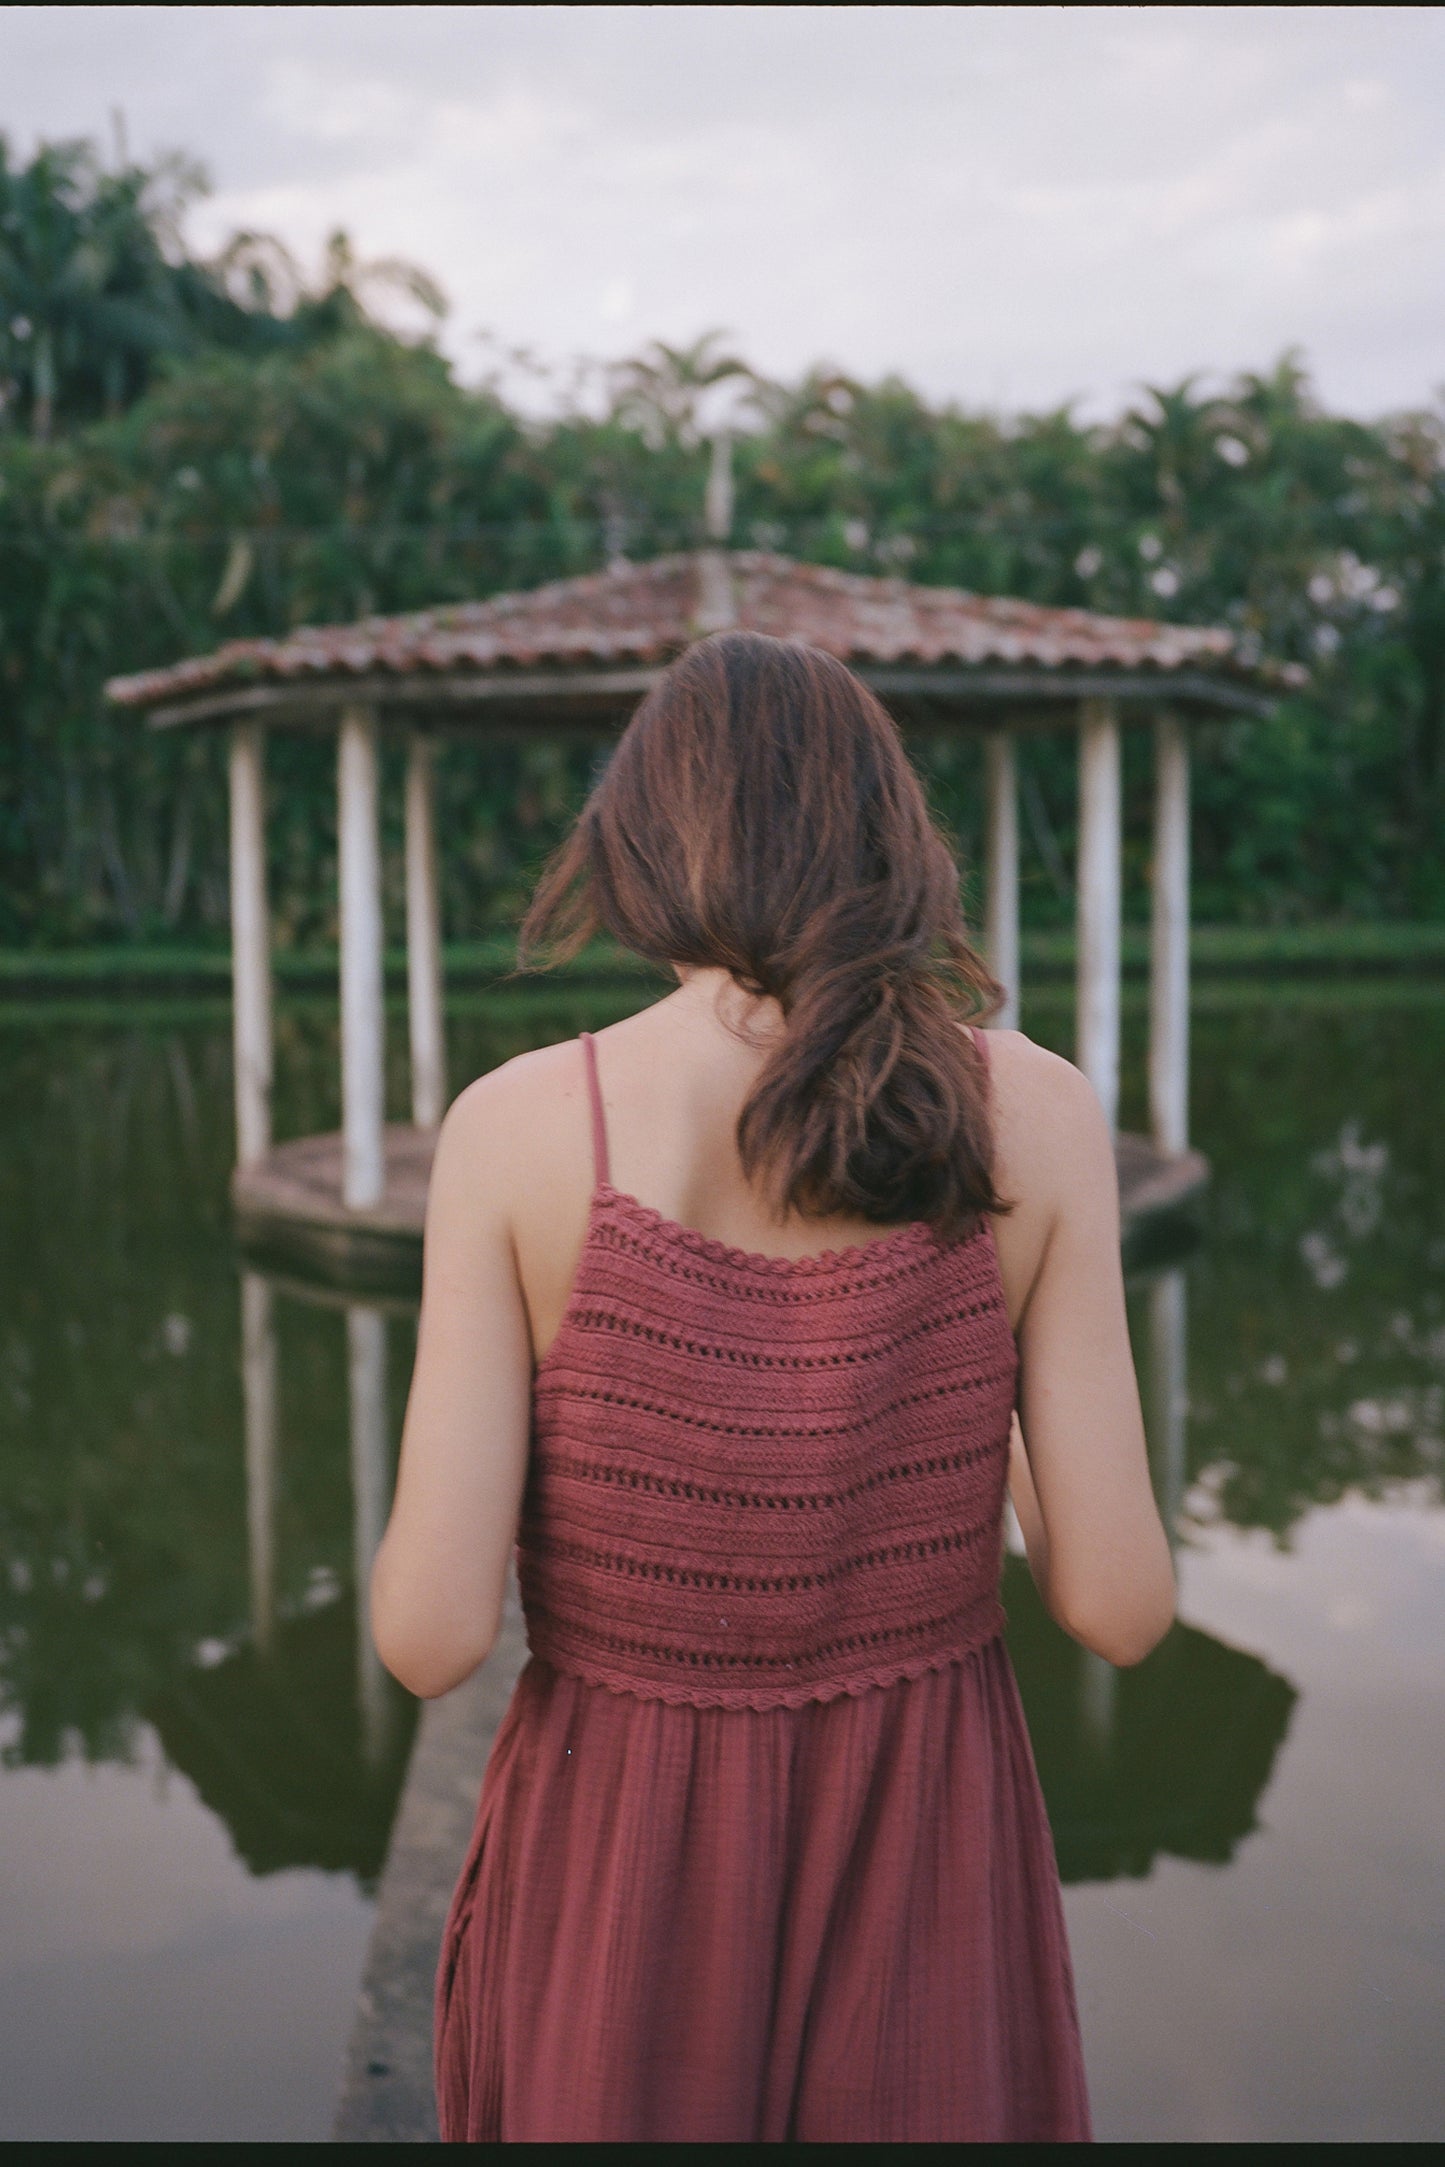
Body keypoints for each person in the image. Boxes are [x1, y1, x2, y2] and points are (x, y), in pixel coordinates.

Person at [371, 630, 1175, 2143]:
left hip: (620, 1861)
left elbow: (429, 1638)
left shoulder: (518, 1125)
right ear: (888, 833)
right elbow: (1119, 1605)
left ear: (637, 844)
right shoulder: (1037, 1109)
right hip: (925, 1846)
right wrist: (974, 1387)